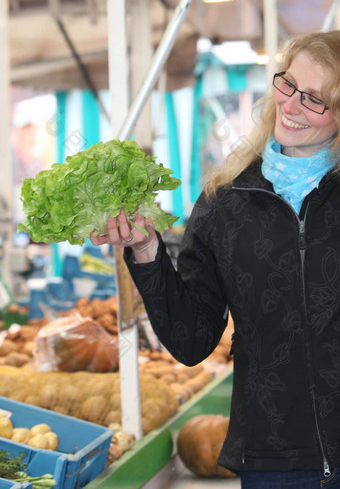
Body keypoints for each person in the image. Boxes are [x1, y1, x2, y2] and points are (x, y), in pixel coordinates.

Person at [90, 30, 340, 488]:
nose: (290, 105)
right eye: (287, 85)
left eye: (314, 99)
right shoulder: (225, 201)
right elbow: (191, 340)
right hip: (273, 457)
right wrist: (147, 252)